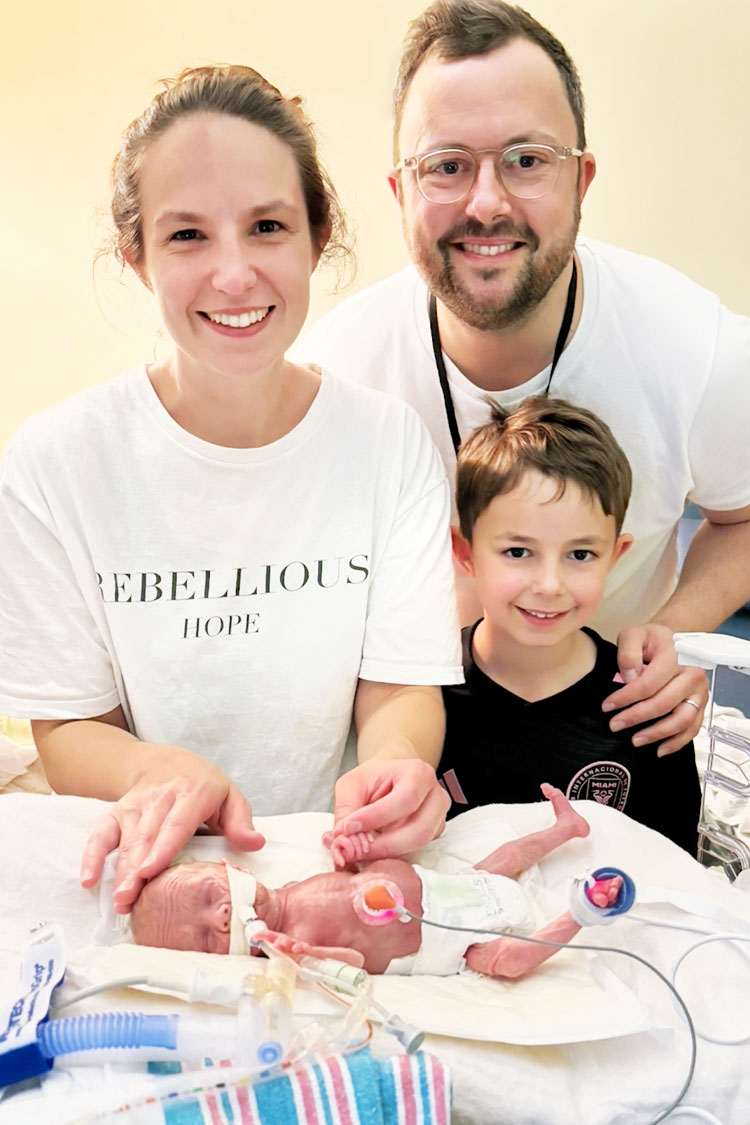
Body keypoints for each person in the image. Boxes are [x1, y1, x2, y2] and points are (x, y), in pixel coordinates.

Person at [0, 65, 463, 915]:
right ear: (136, 256)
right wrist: (157, 770)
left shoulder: (389, 445)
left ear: (317, 239)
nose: (235, 273)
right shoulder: (52, 462)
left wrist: (397, 761)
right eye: (187, 236)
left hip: (328, 867)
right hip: (143, 870)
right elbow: (68, 729)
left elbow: (400, 689)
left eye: (267, 226)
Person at [297, 0, 750, 757]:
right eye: (446, 166)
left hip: (611, 739)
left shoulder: (698, 349)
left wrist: (672, 635)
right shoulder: (330, 376)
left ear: (582, 181)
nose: (486, 203)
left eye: (527, 159)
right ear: (400, 193)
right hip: (406, 748)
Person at [439, 397, 701, 854]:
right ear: (465, 553)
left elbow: (675, 871)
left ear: (615, 557)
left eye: (580, 555)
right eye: (518, 552)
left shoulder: (646, 704)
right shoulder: (423, 689)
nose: (549, 585)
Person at [131, 783, 623, 979]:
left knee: (500, 863)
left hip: (442, 887)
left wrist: (351, 856)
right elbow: (351, 962)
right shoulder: (289, 949)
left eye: (210, 897)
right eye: (203, 937)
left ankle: (564, 829)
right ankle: (580, 913)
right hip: (446, 943)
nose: (218, 915)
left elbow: (346, 883)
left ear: (234, 871)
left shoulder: (295, 887)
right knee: (504, 963)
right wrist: (301, 953)